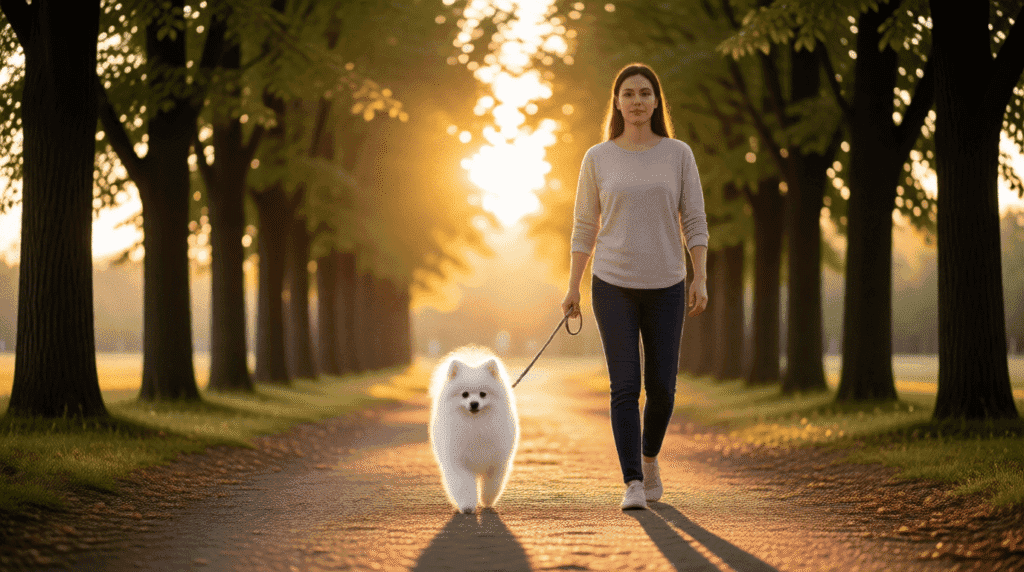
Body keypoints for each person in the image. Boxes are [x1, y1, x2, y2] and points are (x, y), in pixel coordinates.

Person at [561, 63, 709, 511]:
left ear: (657, 101)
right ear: (617, 102)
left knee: (662, 387)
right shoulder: (597, 157)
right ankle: (632, 481)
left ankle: (649, 457)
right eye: (629, 93)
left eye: (646, 93)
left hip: (667, 282)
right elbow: (584, 225)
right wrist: (573, 286)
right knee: (625, 386)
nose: (638, 101)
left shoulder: (678, 153)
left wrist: (700, 274)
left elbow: (695, 219)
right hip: (613, 283)